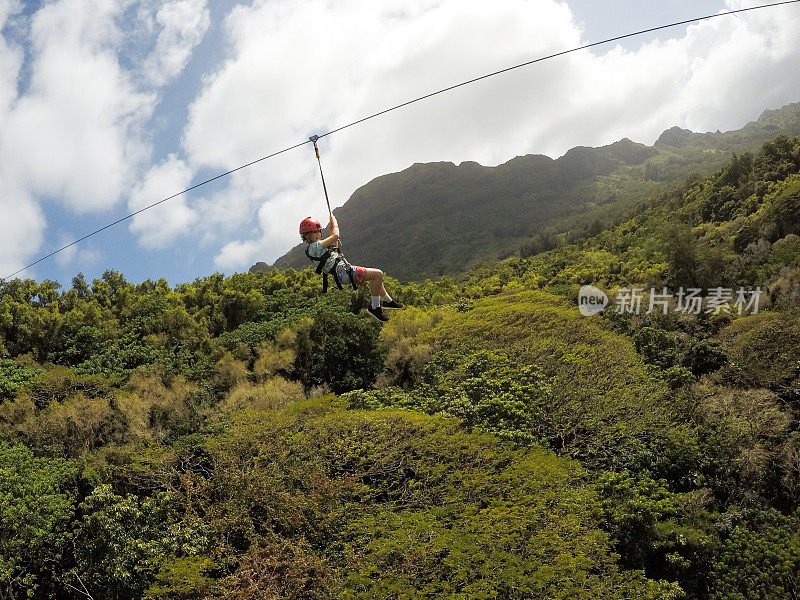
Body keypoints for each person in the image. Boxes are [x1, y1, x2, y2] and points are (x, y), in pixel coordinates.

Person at [299, 214, 402, 322]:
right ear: (306, 236)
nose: (317, 234)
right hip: (344, 272)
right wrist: (335, 223)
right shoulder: (315, 246)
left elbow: (335, 247)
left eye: (318, 231)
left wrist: (332, 229)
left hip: (345, 271)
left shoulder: (316, 248)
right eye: (313, 232)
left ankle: (388, 301)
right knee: (378, 274)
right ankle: (375, 307)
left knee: (376, 278)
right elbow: (335, 236)